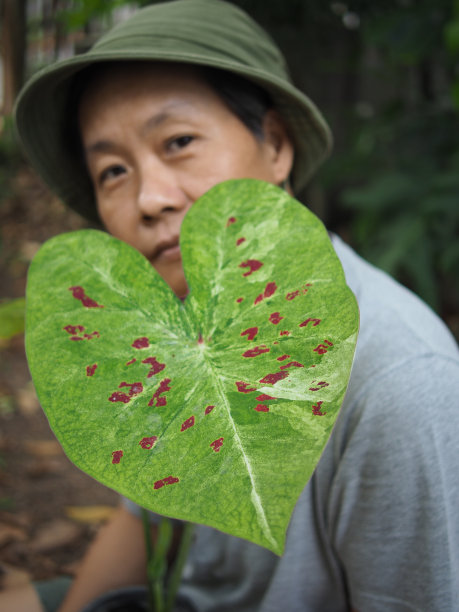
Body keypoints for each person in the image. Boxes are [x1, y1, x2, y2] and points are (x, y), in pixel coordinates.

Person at [3, 1, 459, 610]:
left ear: (274, 144)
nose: (150, 198)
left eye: (179, 141)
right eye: (113, 170)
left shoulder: (401, 383)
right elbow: (142, 518)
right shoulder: (169, 321)